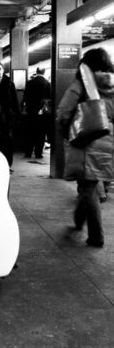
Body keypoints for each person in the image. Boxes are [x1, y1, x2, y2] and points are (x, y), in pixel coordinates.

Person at [57, 48, 114, 248]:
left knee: (88, 188)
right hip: (107, 139)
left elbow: (64, 111)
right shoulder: (112, 85)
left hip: (85, 139)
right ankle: (78, 220)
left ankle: (96, 236)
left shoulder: (82, 84)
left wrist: (64, 128)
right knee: (89, 184)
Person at [22, 67, 51, 159]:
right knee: (41, 134)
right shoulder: (47, 84)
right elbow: (50, 99)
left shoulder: (30, 83)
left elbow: (25, 97)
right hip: (42, 114)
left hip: (31, 113)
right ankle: (38, 153)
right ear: (44, 72)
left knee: (30, 133)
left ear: (36, 72)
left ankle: (28, 153)